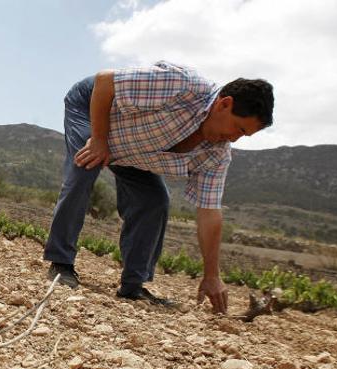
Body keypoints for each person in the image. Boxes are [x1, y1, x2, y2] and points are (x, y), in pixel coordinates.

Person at [44, 61, 274, 313]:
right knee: (83, 169)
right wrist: (99, 139)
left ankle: (133, 286)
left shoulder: (217, 155)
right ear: (224, 104)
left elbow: (209, 212)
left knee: (154, 201)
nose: (233, 139)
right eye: (238, 129)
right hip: (92, 110)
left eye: (243, 136)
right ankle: (60, 263)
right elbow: (104, 81)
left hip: (133, 148)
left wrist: (211, 275)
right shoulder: (183, 85)